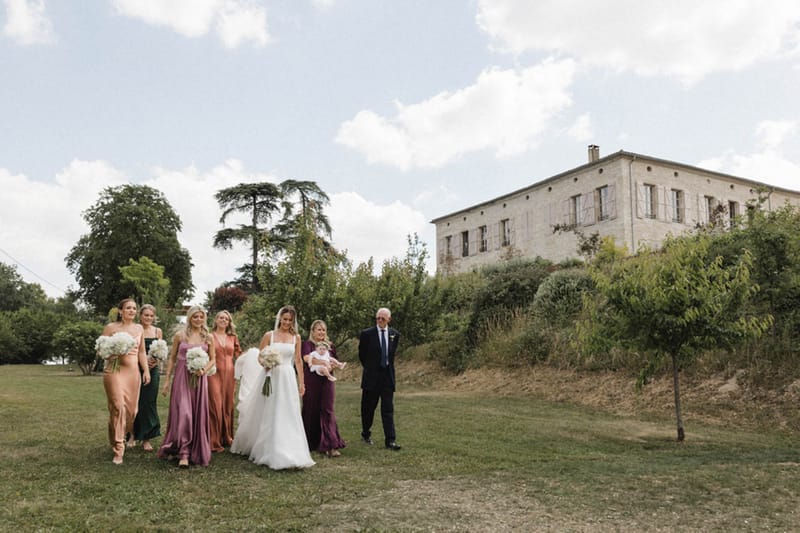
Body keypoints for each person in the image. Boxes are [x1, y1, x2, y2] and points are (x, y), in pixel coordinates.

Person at [231, 305, 315, 470]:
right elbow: (260, 356)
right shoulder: (269, 336)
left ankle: (289, 449)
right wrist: (266, 364)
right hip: (271, 376)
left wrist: (302, 383)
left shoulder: (296, 337)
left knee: (287, 412)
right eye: (284, 319)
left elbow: (298, 361)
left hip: (288, 378)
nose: (287, 322)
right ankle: (267, 448)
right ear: (279, 319)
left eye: (290, 320)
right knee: (270, 410)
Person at [157, 305, 215, 468]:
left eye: (201, 316)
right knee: (184, 413)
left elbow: (213, 359)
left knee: (196, 414)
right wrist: (167, 380)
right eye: (195, 316)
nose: (198, 319)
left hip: (199, 379)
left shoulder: (208, 337)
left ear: (204, 318)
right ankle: (183, 452)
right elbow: (172, 358)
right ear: (189, 318)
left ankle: (193, 448)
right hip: (182, 377)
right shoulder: (179, 336)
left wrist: (204, 369)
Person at [100, 298, 151, 465]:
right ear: (120, 311)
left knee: (130, 412)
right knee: (118, 407)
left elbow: (142, 352)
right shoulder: (110, 328)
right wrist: (110, 354)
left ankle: (114, 433)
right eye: (128, 308)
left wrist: (146, 370)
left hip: (132, 373)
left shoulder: (138, 328)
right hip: (113, 371)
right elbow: (100, 349)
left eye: (134, 308)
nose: (132, 311)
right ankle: (118, 449)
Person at [358, 307, 401, 450]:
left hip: (387, 376)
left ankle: (390, 440)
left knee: (387, 408)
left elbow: (392, 354)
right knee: (368, 407)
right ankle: (366, 433)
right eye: (378, 318)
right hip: (372, 376)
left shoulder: (394, 334)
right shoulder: (367, 334)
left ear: (389, 319)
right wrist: (371, 368)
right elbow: (362, 355)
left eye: (383, 318)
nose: (380, 321)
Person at [301, 320, 346, 457]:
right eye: (318, 330)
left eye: (323, 330)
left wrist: (330, 365)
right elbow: (306, 358)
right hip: (312, 380)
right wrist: (322, 362)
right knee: (311, 408)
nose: (321, 332)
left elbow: (334, 361)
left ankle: (330, 444)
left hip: (326, 380)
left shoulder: (330, 346)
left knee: (327, 409)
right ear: (313, 331)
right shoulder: (307, 345)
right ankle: (309, 442)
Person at [128, 304, 162, 452]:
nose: (148, 318)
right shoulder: (134, 329)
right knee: (134, 402)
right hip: (135, 369)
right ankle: (131, 435)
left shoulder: (157, 331)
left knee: (149, 403)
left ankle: (146, 438)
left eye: (151, 315)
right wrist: (140, 362)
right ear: (140, 316)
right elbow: (130, 350)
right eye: (145, 315)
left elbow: (161, 350)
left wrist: (157, 360)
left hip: (153, 371)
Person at [208, 310, 242, 452]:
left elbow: (239, 354)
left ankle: (226, 437)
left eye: (226, 319)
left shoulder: (233, 337)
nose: (223, 320)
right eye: (221, 318)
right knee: (215, 404)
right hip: (213, 373)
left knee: (228, 404)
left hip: (230, 374)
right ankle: (213, 439)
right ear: (216, 320)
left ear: (229, 322)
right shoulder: (209, 336)